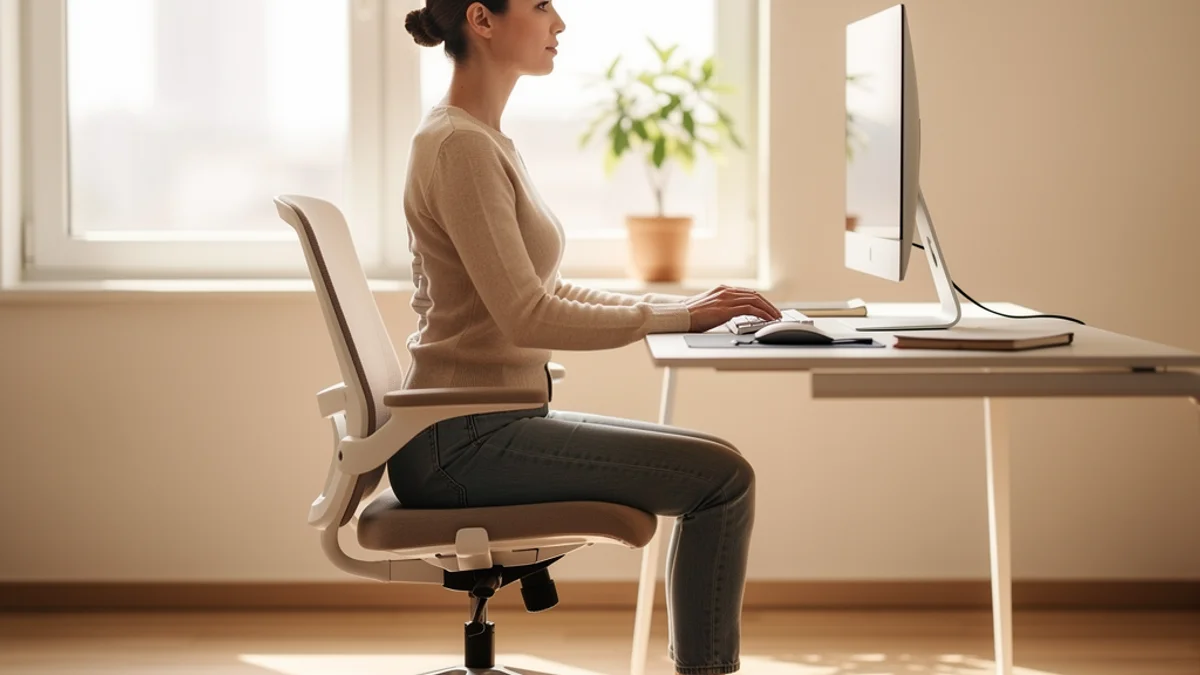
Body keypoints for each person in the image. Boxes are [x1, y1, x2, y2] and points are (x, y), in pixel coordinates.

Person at [391, 2, 781, 673]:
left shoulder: (479, 139)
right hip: (461, 443)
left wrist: (680, 308)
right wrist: (676, 317)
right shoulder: (460, 147)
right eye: (541, 4)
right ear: (482, 19)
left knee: (720, 465)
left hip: (477, 425)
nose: (559, 22)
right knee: (723, 480)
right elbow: (528, 315)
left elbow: (545, 290)